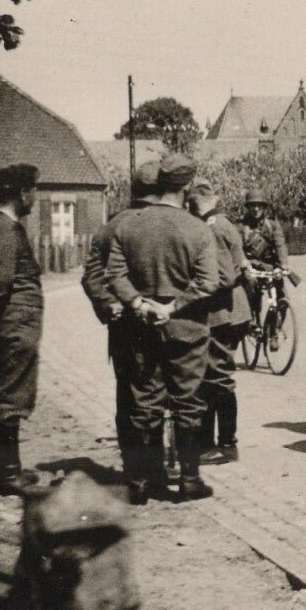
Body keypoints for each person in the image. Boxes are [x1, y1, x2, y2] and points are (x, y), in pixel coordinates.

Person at [104, 153, 223, 503]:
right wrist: (173, 306)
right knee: (188, 402)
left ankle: (140, 485)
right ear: (186, 186)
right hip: (186, 330)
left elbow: (114, 275)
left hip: (140, 328)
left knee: (144, 402)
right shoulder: (198, 229)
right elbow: (208, 282)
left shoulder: (128, 225)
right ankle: (188, 481)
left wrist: (139, 304)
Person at [83, 160, 160, 462]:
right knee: (156, 394)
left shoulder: (111, 226)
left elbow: (90, 274)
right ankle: (154, 467)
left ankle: (134, 469)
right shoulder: (170, 222)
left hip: (123, 325)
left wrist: (109, 303)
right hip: (161, 320)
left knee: (127, 395)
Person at [0, 163, 44, 495]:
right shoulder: (4, 230)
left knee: (11, 394)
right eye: (33, 189)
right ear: (22, 193)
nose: (35, 196)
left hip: (16, 325)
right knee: (9, 396)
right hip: (14, 326)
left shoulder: (3, 226)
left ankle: (10, 468)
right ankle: (5, 474)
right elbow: (0, 284)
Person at [188, 174, 250, 464]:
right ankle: (211, 442)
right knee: (213, 377)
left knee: (218, 378)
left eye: (190, 204)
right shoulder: (221, 223)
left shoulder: (212, 228)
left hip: (222, 313)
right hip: (226, 311)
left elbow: (224, 276)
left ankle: (225, 444)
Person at [238, 188, 296, 331]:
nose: (256, 209)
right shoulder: (241, 227)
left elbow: (280, 245)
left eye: (259, 205)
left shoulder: (273, 226)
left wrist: (284, 264)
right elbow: (236, 249)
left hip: (269, 267)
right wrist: (244, 264)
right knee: (251, 285)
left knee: (282, 298)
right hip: (251, 267)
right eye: (252, 205)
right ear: (248, 207)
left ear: (264, 207)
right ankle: (252, 318)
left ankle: (274, 330)